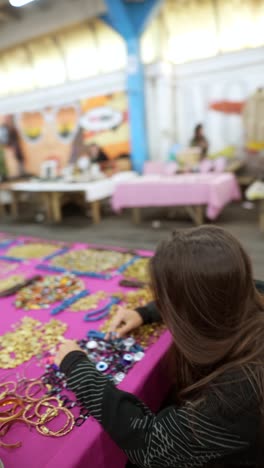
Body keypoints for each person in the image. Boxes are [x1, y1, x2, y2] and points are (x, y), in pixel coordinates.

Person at [55, 226, 264, 468]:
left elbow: (152, 446)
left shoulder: (241, 390)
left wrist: (78, 369)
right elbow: (233, 285)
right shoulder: (247, 294)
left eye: (167, 303)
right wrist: (145, 313)